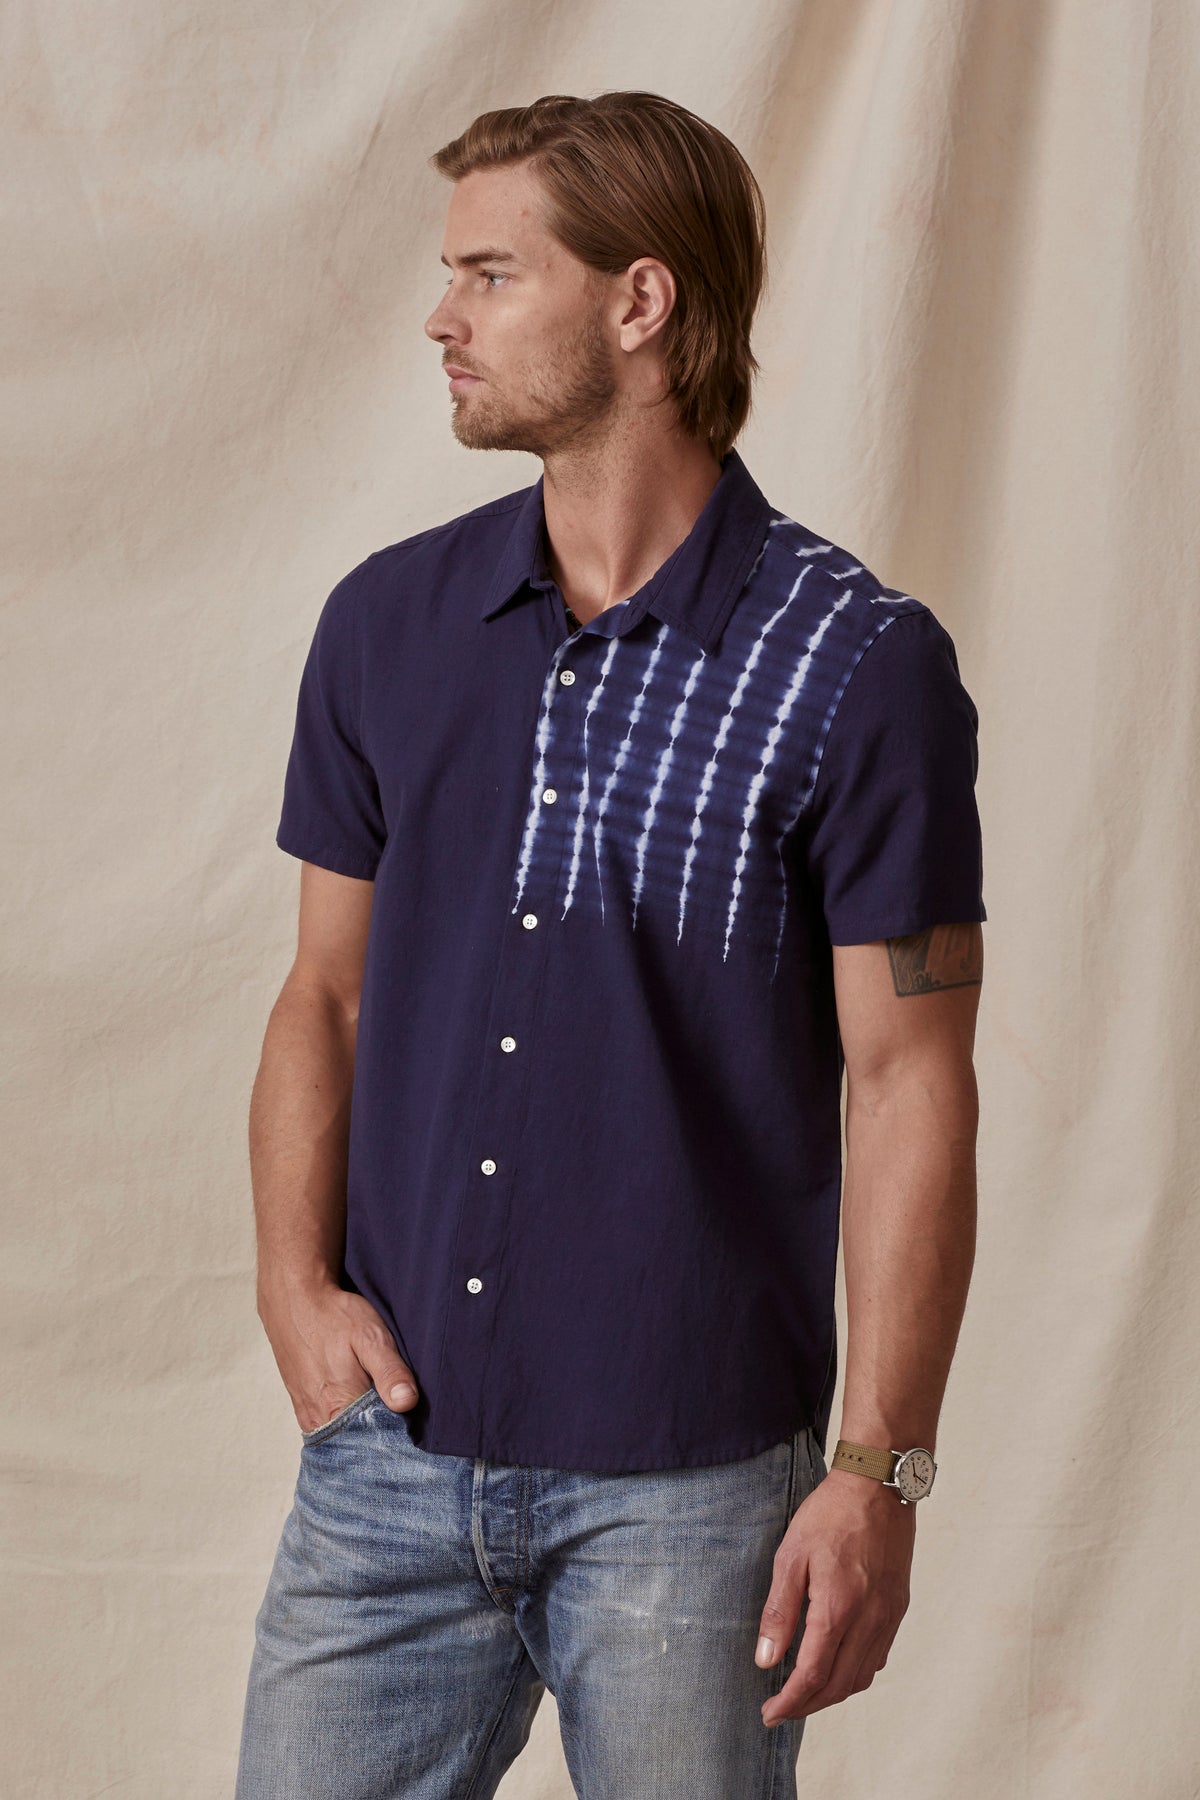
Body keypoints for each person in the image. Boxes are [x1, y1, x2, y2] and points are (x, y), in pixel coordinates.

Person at [235, 90, 985, 1800]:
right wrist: (294, 1289)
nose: (443, 316)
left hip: (697, 1496)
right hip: (389, 1469)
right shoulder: (386, 626)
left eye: (492, 275)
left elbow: (907, 1077)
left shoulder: (860, 668)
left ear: (639, 305)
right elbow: (322, 997)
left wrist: (879, 1466)